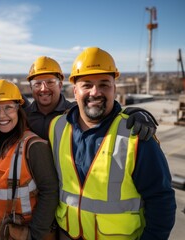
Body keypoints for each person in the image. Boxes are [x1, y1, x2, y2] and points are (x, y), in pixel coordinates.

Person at [48, 47, 176, 240]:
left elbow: (161, 200)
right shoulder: (57, 128)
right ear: (75, 91)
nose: (95, 92)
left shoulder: (136, 135)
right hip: (66, 234)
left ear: (114, 89)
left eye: (104, 84)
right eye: (87, 85)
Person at [0, 79, 58, 240]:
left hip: (19, 234)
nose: (2, 115)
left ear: (18, 110)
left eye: (8, 107)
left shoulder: (33, 147)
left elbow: (50, 191)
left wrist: (34, 235)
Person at [25, 56, 158, 141]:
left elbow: (103, 111)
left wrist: (134, 113)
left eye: (50, 82)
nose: (43, 89)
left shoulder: (74, 113)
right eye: (37, 84)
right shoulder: (24, 115)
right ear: (31, 88)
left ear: (60, 85)